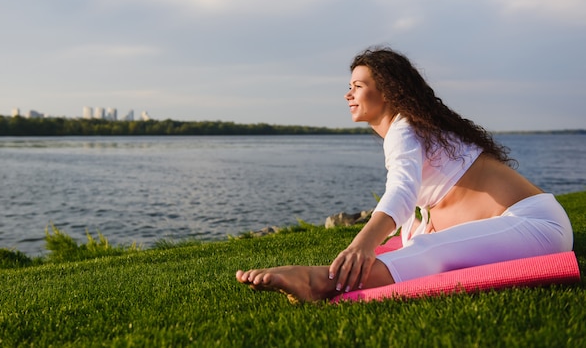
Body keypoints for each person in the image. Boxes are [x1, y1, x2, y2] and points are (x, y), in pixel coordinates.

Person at [235, 46, 574, 302]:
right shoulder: (414, 129)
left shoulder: (404, 129)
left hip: (537, 227)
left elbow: (403, 189)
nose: (347, 94)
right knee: (421, 242)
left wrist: (363, 244)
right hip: (529, 227)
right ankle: (319, 278)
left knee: (431, 250)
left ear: (386, 91)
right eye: (349, 86)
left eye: (357, 85)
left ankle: (318, 282)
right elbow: (423, 200)